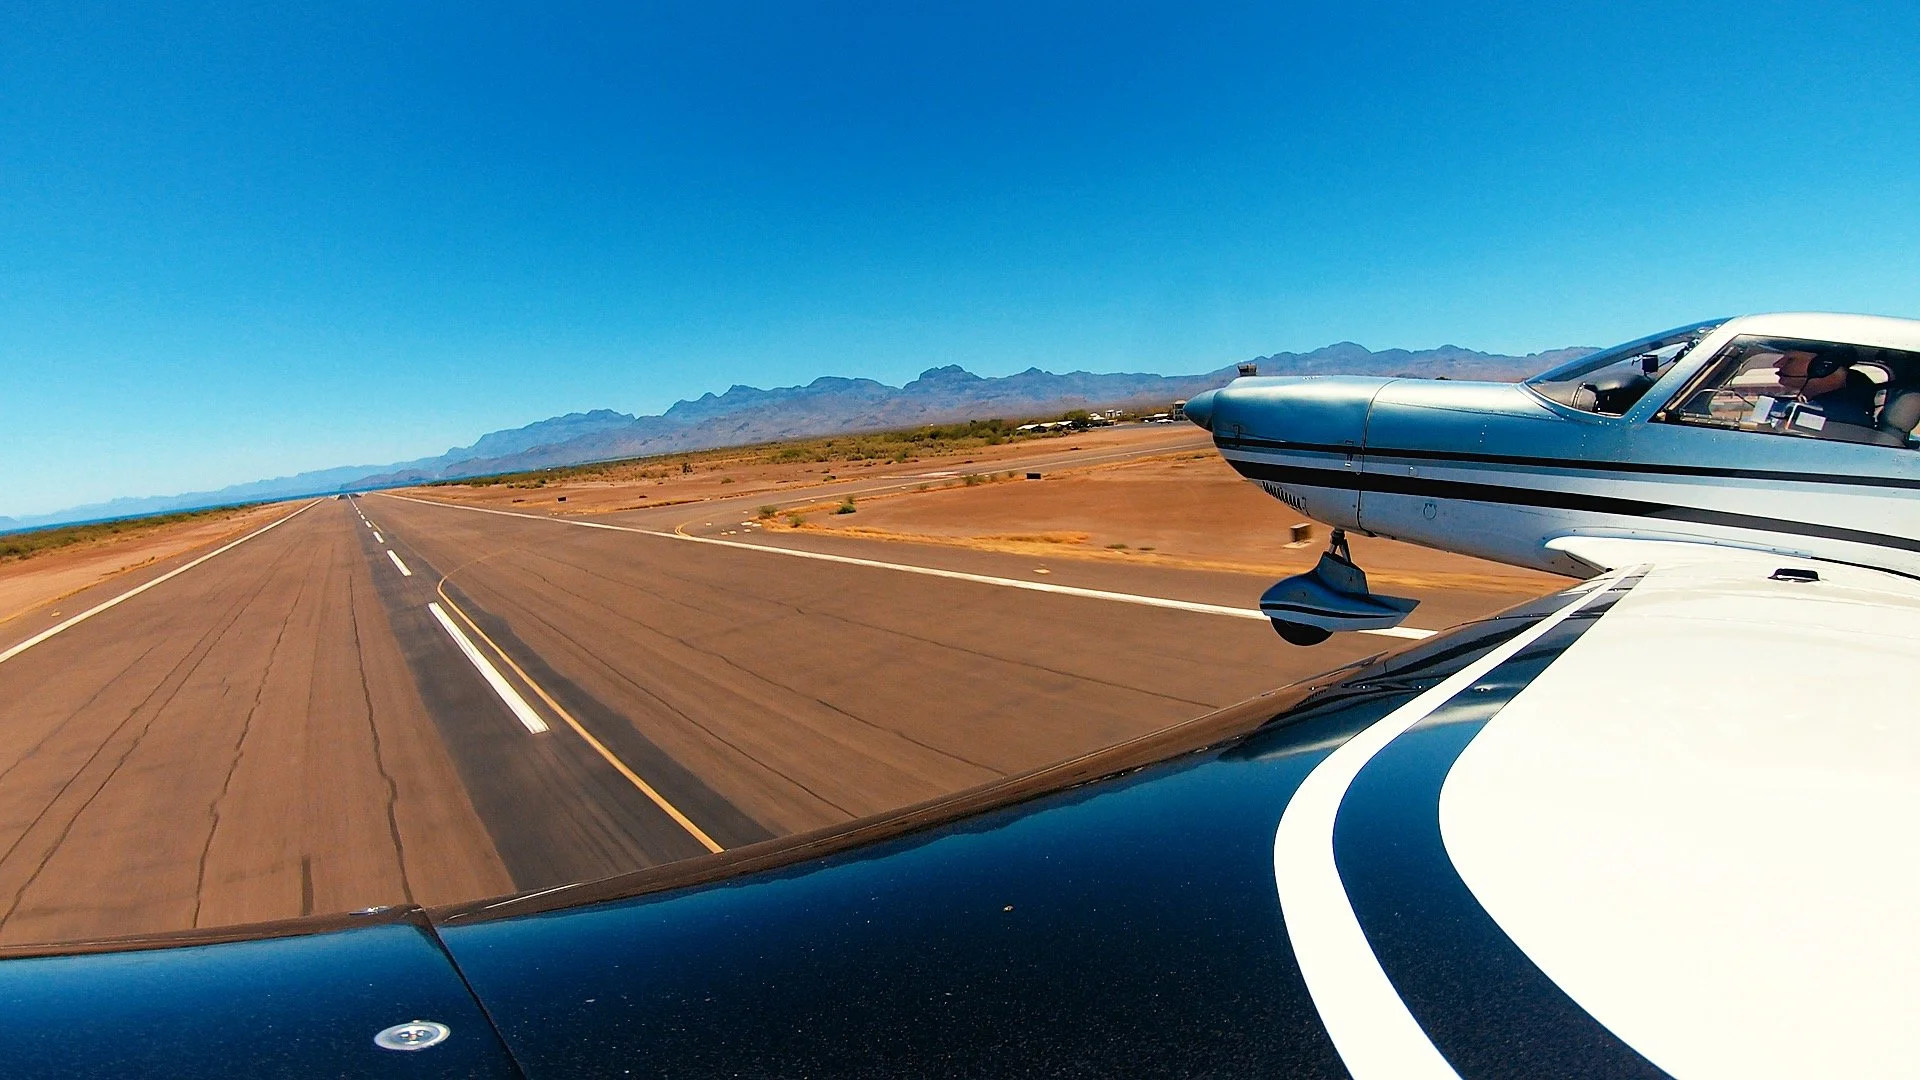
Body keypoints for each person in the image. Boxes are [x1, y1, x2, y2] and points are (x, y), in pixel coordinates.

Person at [1772, 347, 1878, 428]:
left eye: (1790, 359)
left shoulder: (1836, 415)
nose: (1777, 364)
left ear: (1822, 367)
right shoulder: (1840, 408)